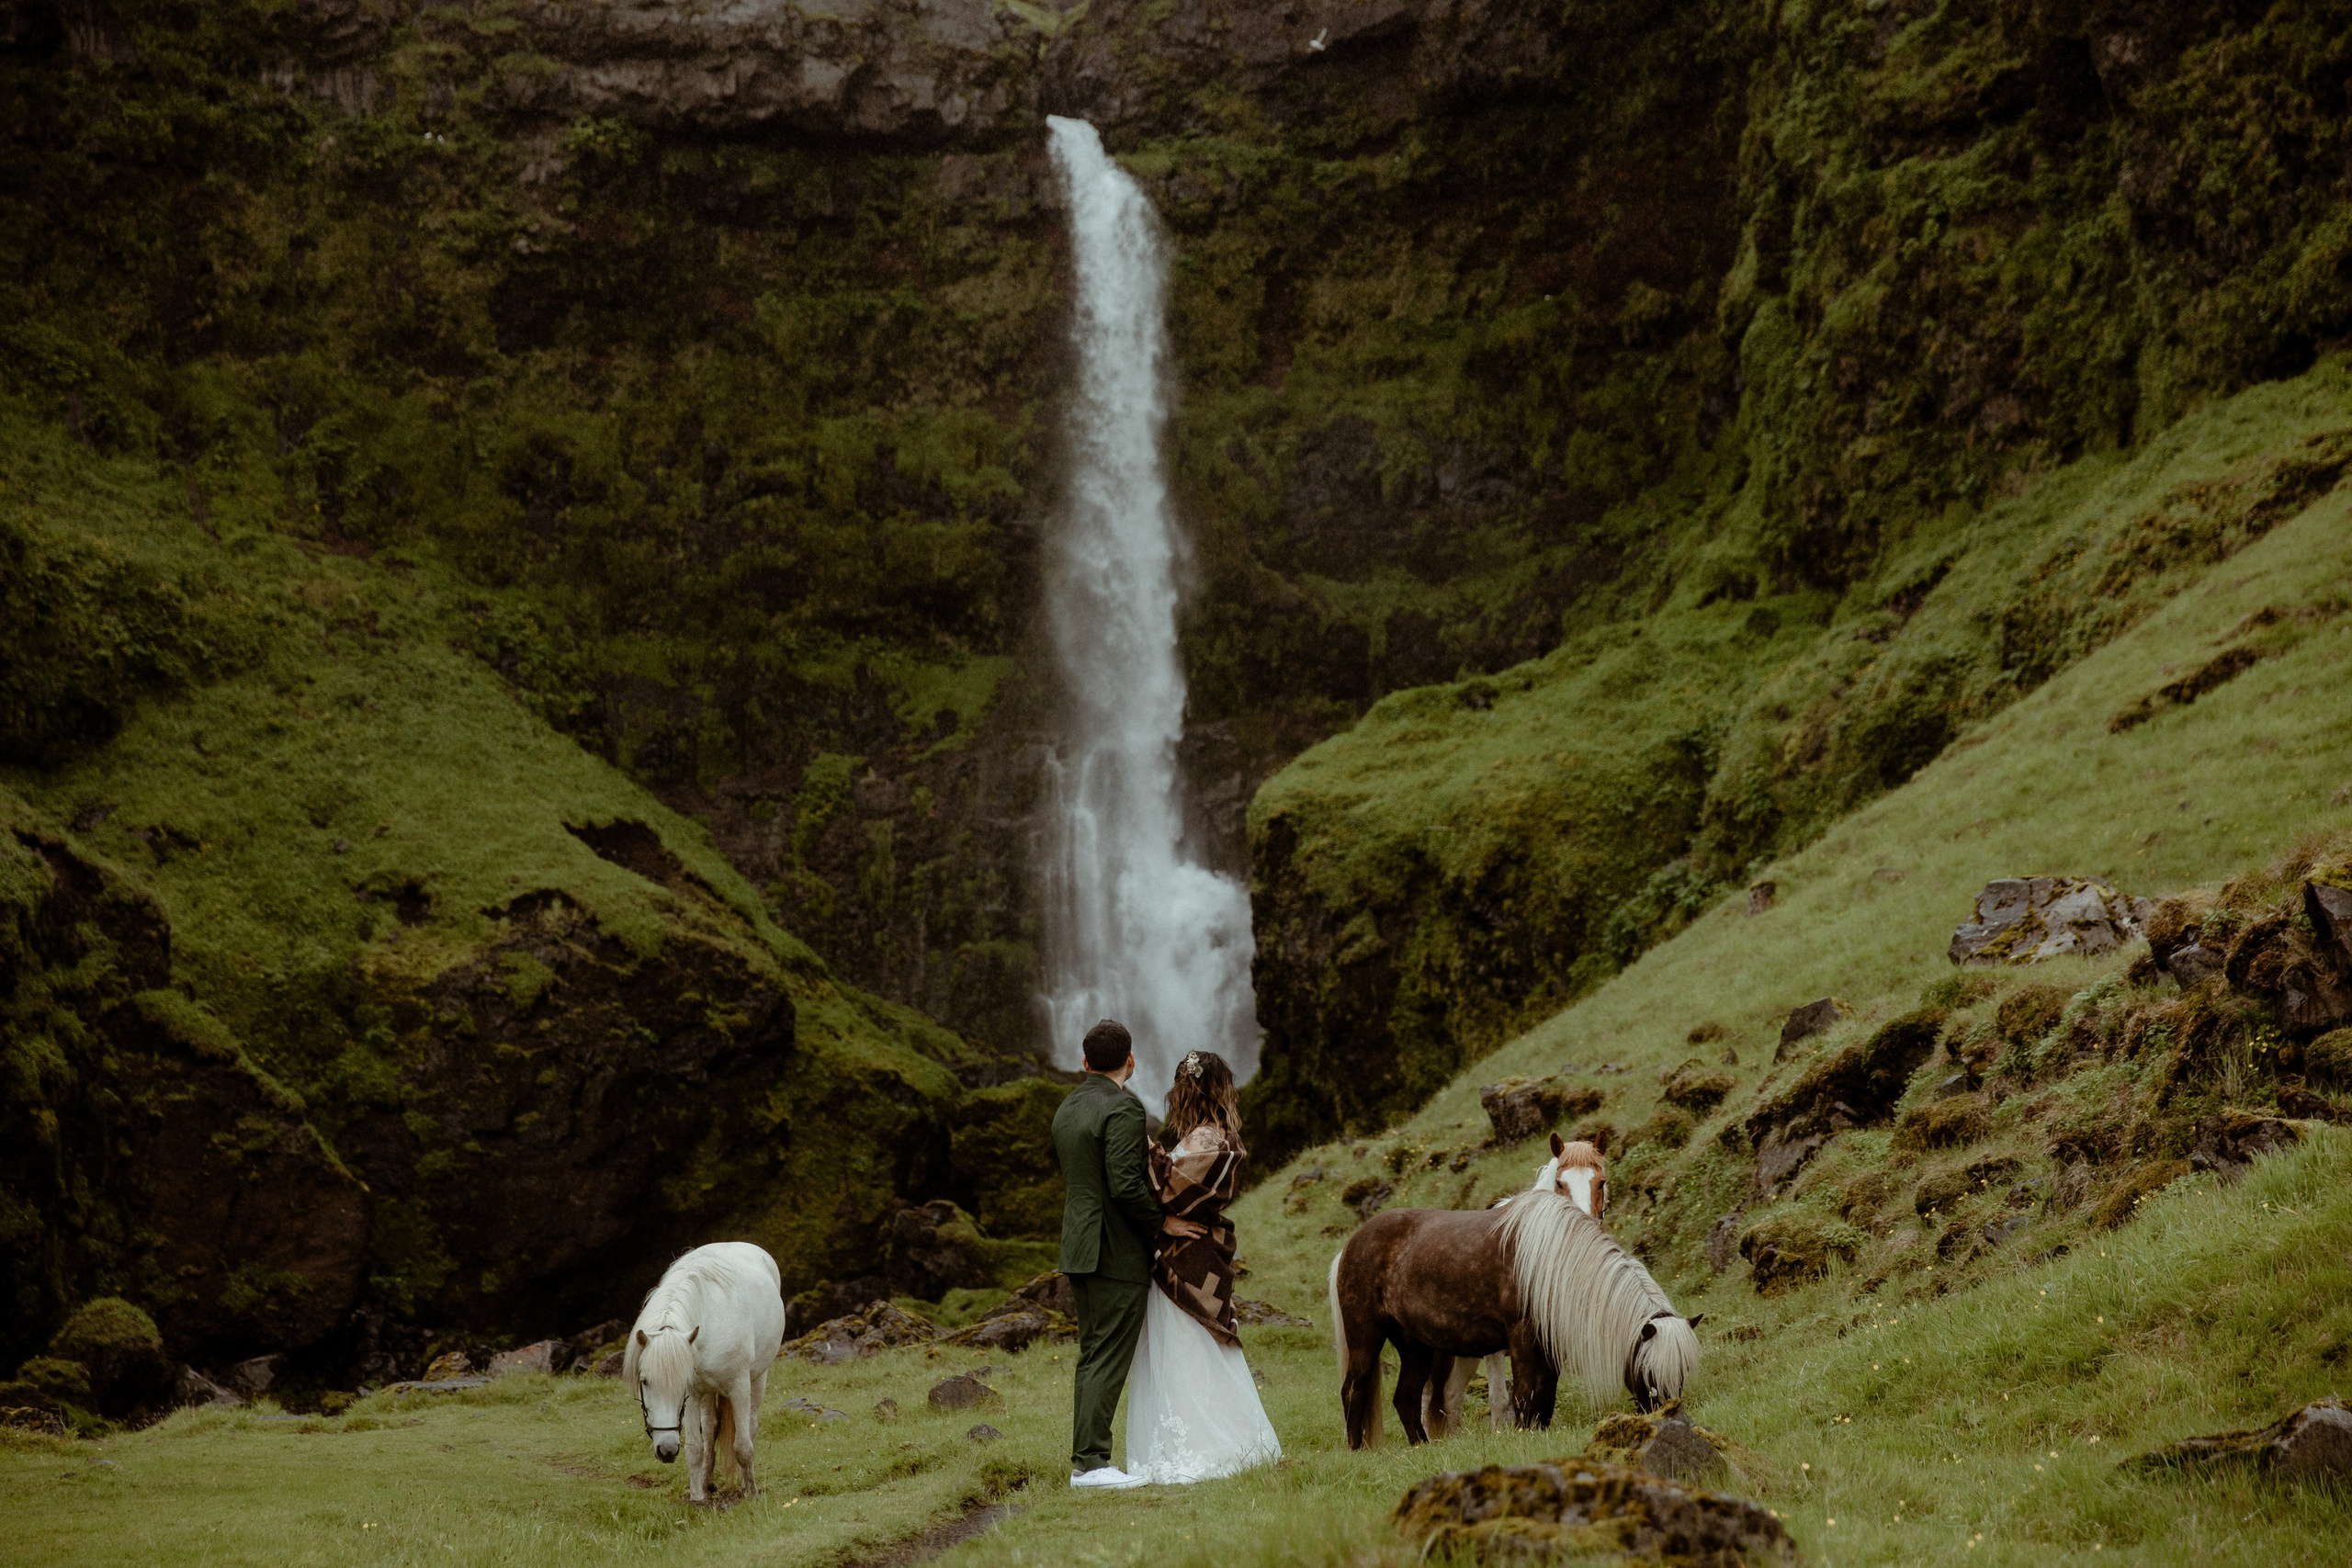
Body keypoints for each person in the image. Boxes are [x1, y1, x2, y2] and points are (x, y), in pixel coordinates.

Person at [1124, 1048, 1282, 1484]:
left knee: (1188, 1346)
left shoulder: (1206, 1140)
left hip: (1187, 1255)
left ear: (1189, 1090)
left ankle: (1204, 1447)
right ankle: (1210, 1441)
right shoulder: (1207, 1135)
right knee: (1190, 1346)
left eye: (1180, 1089)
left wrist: (1142, 1143)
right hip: (1190, 1251)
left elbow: (1175, 1194)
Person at [1051, 1018, 1161, 1489]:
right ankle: (1091, 1464)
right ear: (1130, 1060)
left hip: (1078, 1244)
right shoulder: (1124, 1109)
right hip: (1115, 1251)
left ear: (1084, 1061)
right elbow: (1125, 1184)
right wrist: (1163, 1225)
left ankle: (1087, 1459)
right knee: (1107, 1355)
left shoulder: (1067, 1108)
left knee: (1093, 1353)